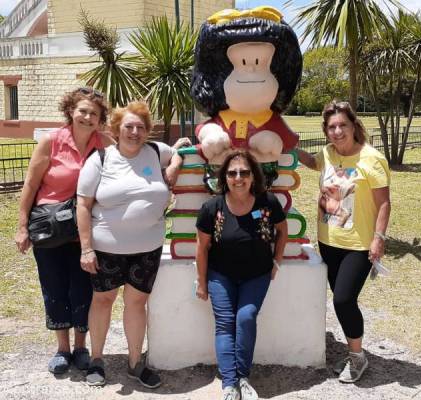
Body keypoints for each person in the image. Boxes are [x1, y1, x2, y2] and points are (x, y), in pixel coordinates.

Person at [76, 101, 190, 388]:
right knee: (103, 301)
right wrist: (86, 248)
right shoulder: (99, 159)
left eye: (141, 127)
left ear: (147, 131)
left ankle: (135, 363)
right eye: (128, 126)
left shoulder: (155, 152)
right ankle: (97, 360)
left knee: (137, 304)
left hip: (147, 249)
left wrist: (175, 164)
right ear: (116, 129)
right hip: (105, 249)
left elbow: (178, 149)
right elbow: (82, 204)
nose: (135, 132)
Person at [14, 87, 113, 374]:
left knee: (83, 287)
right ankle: (62, 348)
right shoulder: (51, 141)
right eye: (82, 110)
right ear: (71, 111)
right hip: (50, 227)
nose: (87, 117)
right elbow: (31, 185)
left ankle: (81, 347)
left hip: (85, 230)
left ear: (99, 119)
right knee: (54, 286)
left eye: (94, 113)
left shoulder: (104, 144)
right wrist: (22, 227)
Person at [296, 101, 391, 383]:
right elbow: (313, 163)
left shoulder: (372, 159)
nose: (337, 131)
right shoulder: (326, 154)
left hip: (359, 245)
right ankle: (353, 351)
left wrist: (379, 239)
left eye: (342, 125)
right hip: (329, 241)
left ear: (354, 126)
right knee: (342, 301)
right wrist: (288, 148)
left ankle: (358, 358)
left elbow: (384, 203)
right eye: (331, 127)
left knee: (344, 299)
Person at [195, 150, 287, 400]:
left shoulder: (267, 202)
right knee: (225, 324)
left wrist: (277, 262)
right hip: (219, 276)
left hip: (257, 274)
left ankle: (243, 377)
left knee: (246, 317)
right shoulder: (212, 207)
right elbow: (202, 248)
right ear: (224, 177)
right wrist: (202, 283)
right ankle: (229, 384)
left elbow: (282, 230)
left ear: (253, 176)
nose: (238, 177)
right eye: (232, 172)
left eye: (244, 172)